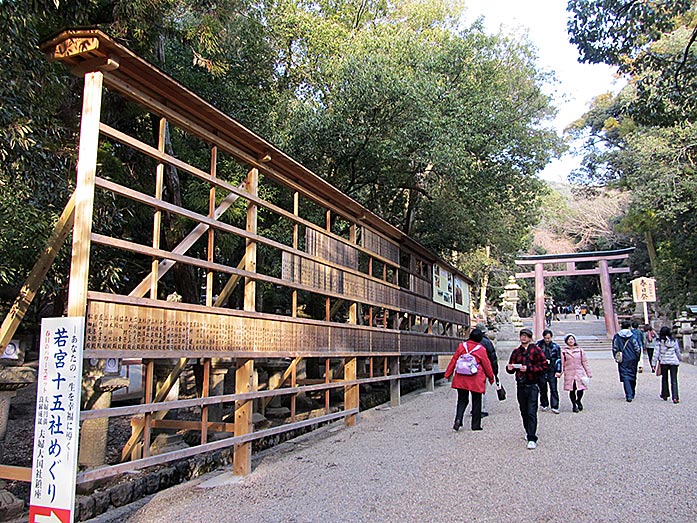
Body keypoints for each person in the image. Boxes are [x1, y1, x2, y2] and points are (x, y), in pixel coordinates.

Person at [444, 328, 495, 431]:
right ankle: (475, 425)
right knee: (476, 401)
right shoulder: (480, 349)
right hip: (475, 378)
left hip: (461, 377)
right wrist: (491, 377)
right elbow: (486, 364)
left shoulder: (462, 346)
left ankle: (458, 419)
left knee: (462, 400)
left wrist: (447, 374)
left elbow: (454, 360)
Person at [506, 328, 549, 449]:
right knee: (523, 410)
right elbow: (511, 366)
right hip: (520, 384)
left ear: (530, 338)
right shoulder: (516, 352)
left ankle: (532, 437)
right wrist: (509, 368)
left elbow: (544, 365)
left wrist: (529, 368)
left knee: (531, 411)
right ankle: (528, 431)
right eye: (522, 336)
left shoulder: (536, 350)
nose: (523, 338)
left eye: (526, 336)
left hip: (533, 383)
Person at [561, 334, 592, 412]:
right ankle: (574, 405)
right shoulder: (564, 351)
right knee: (572, 389)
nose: (571, 341)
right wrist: (560, 372)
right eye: (569, 339)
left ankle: (578, 400)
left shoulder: (580, 350)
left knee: (581, 388)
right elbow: (562, 363)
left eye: (572, 339)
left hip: (579, 372)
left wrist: (588, 372)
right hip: (569, 372)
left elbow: (584, 362)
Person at [612, 320, 642, 402]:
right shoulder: (633, 336)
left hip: (623, 358)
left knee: (625, 375)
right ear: (629, 327)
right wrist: (638, 357)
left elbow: (615, 347)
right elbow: (637, 348)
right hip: (632, 358)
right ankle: (632, 391)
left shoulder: (617, 336)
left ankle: (628, 394)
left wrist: (616, 356)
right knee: (633, 374)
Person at [475, 322, 499, 418]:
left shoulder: (469, 341)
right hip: (483, 369)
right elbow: (492, 358)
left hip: (470, 368)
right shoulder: (487, 342)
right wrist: (495, 372)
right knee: (482, 389)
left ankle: (475, 408)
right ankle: (481, 409)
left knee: (474, 390)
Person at [652, 326, 681, 403]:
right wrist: (679, 359)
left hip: (664, 361)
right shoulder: (674, 341)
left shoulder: (659, 342)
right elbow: (677, 351)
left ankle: (665, 394)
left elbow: (656, 353)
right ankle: (675, 397)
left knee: (664, 378)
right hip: (673, 361)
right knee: (674, 379)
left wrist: (653, 364)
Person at [535, 329, 561, 413]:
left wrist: (558, 370)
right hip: (541, 370)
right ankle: (544, 403)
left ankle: (555, 405)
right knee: (542, 388)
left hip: (552, 370)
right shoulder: (538, 345)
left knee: (553, 388)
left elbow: (558, 359)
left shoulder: (556, 347)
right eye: (546, 338)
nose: (547, 340)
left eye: (548, 338)